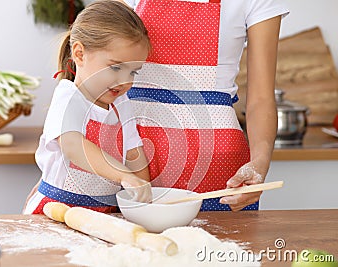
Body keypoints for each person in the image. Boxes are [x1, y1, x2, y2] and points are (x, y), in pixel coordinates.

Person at [123, 0, 289, 211]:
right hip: (133, 156)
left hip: (216, 163)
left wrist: (259, 163)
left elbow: (261, 99)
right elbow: (106, 65)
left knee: (217, 245)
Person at [23, 0, 152, 214]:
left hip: (103, 213)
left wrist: (144, 194)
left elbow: (134, 153)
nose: (124, 81)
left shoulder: (123, 105)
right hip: (56, 211)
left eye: (133, 72)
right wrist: (123, 176)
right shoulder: (68, 97)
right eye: (116, 67)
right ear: (80, 54)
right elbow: (74, 146)